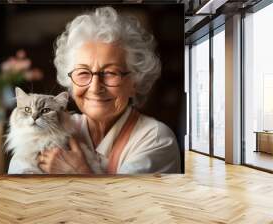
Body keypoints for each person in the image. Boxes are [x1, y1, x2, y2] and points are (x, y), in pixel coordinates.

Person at [36, 6, 181, 174]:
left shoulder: (156, 138)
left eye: (111, 73)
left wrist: (80, 172)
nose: (95, 87)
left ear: (135, 81)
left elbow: (128, 199)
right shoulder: (52, 125)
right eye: (83, 73)